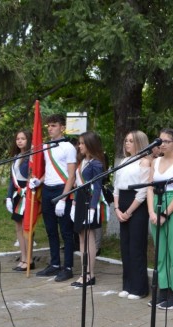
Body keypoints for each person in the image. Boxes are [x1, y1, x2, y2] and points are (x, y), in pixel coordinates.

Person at [146, 128, 173, 310]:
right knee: (160, 252)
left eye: (166, 141)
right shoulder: (155, 162)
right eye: (159, 140)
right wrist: (151, 212)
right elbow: (149, 187)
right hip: (156, 203)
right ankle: (162, 289)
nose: (161, 144)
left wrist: (165, 214)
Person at [30, 114, 77, 282]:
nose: (50, 128)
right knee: (50, 230)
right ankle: (55, 264)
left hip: (62, 190)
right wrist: (38, 181)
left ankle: (69, 267)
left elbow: (71, 176)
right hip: (48, 189)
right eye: (48, 126)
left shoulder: (68, 147)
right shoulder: (46, 146)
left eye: (54, 125)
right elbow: (48, 170)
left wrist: (64, 199)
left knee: (66, 232)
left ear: (62, 127)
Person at [113, 131, 151, 300]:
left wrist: (129, 211)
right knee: (125, 247)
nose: (127, 143)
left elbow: (143, 190)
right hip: (122, 201)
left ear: (140, 143)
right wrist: (116, 209)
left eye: (131, 141)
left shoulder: (144, 161)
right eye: (126, 140)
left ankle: (139, 288)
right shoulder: (123, 161)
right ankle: (127, 285)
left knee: (136, 247)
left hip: (136, 204)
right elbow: (116, 186)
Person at [69, 131, 108, 287]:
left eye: (82, 143)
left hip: (90, 202)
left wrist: (92, 208)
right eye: (79, 143)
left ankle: (90, 274)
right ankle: (83, 273)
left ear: (90, 144)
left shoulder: (96, 163)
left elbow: (97, 187)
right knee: (81, 237)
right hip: (80, 201)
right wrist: (73, 204)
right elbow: (78, 185)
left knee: (89, 238)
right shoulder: (83, 161)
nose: (79, 146)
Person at [6, 130, 35, 272]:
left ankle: (29, 259)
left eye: (23, 138)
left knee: (26, 227)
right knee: (18, 227)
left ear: (28, 140)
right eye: (18, 138)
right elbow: (12, 179)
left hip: (27, 192)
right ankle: (23, 257)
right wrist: (8, 196)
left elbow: (33, 174)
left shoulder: (31, 157)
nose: (20, 141)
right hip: (17, 193)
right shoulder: (16, 157)